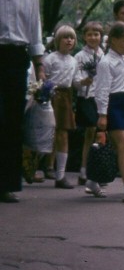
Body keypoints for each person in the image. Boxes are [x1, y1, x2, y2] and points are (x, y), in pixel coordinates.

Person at [0, 0, 46, 203]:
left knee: (12, 122)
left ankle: (6, 184)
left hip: (17, 58)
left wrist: (39, 66)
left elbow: (34, 30)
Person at [87, 21, 124, 202]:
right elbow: (101, 90)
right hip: (112, 105)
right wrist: (102, 114)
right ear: (114, 40)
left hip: (123, 103)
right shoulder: (106, 62)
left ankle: (93, 180)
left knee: (114, 146)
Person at [43, 25, 78, 189]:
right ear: (58, 40)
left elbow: (76, 81)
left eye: (71, 37)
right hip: (51, 95)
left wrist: (88, 81)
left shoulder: (74, 60)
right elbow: (43, 78)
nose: (69, 40)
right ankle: (34, 167)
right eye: (65, 37)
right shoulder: (50, 59)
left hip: (66, 98)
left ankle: (60, 175)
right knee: (47, 133)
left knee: (63, 134)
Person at [73, 21, 104, 186]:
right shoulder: (79, 56)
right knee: (90, 130)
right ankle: (84, 169)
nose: (93, 37)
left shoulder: (103, 55)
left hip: (100, 98)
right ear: (84, 37)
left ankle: (97, 169)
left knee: (99, 134)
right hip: (86, 97)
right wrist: (84, 82)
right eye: (90, 34)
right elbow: (75, 82)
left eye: (96, 34)